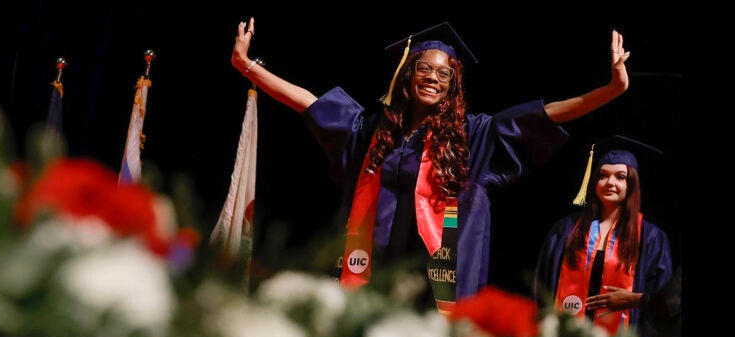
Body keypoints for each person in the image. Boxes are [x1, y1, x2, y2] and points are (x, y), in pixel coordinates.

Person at [230, 18, 632, 314]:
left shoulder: (471, 135)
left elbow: (547, 115)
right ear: (408, 73)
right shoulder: (374, 130)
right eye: (425, 68)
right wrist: (247, 66)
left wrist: (611, 90)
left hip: (438, 280)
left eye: (444, 73)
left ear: (453, 83)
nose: (433, 78)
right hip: (374, 271)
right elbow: (309, 103)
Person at [532, 135, 674, 337]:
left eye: (620, 177)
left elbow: (661, 301)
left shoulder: (651, 238)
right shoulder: (566, 229)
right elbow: (542, 287)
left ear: (632, 184)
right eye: (603, 175)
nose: (610, 182)